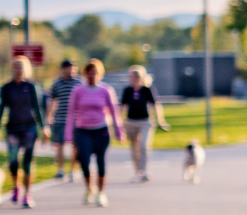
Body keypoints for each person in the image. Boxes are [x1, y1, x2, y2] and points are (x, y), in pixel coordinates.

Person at [64, 59, 124, 207]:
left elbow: (114, 112)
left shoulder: (106, 90)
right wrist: (68, 134)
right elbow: (71, 112)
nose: (92, 75)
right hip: (83, 130)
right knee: (84, 161)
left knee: (101, 162)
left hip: (101, 130)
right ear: (85, 74)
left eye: (95, 73)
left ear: (99, 74)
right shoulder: (78, 90)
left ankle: (101, 193)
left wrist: (119, 131)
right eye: (89, 73)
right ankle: (89, 188)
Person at [0, 57, 45, 208]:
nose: (18, 70)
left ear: (26, 69)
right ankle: (16, 186)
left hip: (29, 128)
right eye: (16, 67)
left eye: (21, 67)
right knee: (13, 162)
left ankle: (27, 195)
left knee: (28, 162)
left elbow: (37, 107)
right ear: (12, 69)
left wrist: (44, 127)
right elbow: (2, 108)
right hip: (13, 129)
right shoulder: (7, 88)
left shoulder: (31, 86)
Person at [120, 65, 169, 182]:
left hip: (145, 122)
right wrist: (119, 123)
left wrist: (161, 120)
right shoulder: (127, 90)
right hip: (131, 122)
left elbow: (155, 105)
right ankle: (137, 171)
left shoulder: (146, 90)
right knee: (134, 148)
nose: (134, 78)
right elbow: (122, 107)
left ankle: (144, 170)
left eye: (136, 76)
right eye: (132, 76)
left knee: (143, 145)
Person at [45, 59, 82, 182]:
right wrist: (49, 116)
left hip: (76, 119)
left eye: (73, 67)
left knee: (75, 146)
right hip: (60, 118)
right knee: (59, 144)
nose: (71, 70)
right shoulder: (56, 84)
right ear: (63, 69)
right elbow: (52, 100)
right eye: (68, 67)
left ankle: (73, 170)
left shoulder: (79, 83)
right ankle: (60, 169)